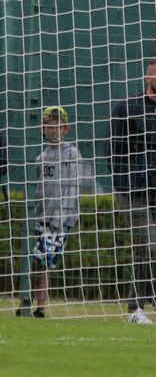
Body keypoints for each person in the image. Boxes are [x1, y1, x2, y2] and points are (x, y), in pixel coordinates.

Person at [110, 57, 156, 324]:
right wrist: (123, 185)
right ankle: (139, 307)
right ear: (148, 79)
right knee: (150, 248)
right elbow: (114, 151)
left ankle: (153, 307)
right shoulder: (127, 109)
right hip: (132, 190)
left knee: (150, 249)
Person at [16, 106, 81, 318]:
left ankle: (39, 307)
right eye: (48, 126)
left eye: (57, 126)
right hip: (41, 218)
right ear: (43, 129)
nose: (53, 130)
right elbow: (38, 189)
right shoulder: (41, 158)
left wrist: (61, 218)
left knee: (43, 260)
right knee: (37, 261)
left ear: (66, 129)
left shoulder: (72, 153)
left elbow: (73, 187)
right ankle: (31, 301)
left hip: (60, 220)